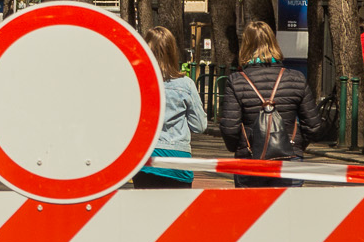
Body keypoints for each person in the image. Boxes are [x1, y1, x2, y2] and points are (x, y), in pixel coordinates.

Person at [219, 19, 317, 187]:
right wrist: (295, 144)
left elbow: (230, 128)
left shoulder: (236, 81)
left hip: (250, 159)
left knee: (252, 211)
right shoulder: (296, 79)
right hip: (290, 159)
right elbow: (314, 125)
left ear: (245, 46)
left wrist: (241, 147)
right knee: (287, 211)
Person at [134, 27, 206, 186]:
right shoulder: (186, 85)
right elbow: (199, 126)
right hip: (178, 161)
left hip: (147, 160)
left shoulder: (138, 83)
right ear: (173, 51)